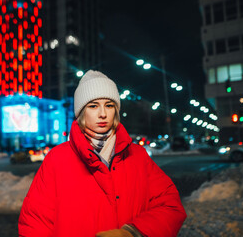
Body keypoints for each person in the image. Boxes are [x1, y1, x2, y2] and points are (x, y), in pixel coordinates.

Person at [18, 70, 186, 237]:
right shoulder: (58, 159)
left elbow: (169, 205)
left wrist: (134, 232)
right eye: (93, 106)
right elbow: (35, 222)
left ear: (116, 111)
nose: (103, 114)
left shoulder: (137, 156)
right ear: (82, 112)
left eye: (109, 105)